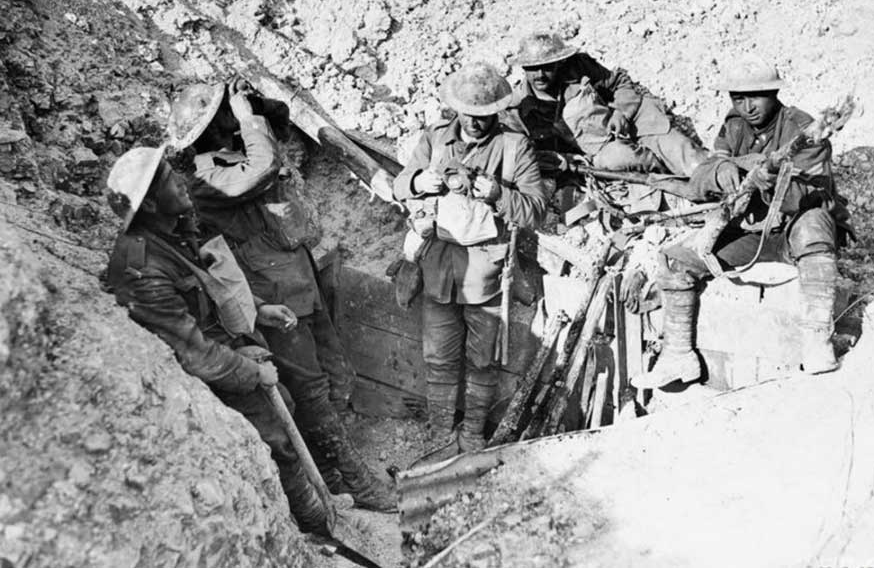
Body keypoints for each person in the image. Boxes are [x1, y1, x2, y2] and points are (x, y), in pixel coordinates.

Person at [166, 80, 394, 511]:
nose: (234, 118)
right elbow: (265, 166)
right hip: (272, 293)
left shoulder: (239, 148)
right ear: (211, 128)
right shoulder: (205, 176)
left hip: (299, 278)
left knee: (331, 373)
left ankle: (329, 473)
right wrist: (248, 119)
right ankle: (360, 486)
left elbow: (282, 126)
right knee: (309, 388)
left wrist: (255, 105)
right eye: (224, 114)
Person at [105, 146, 332, 533]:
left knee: (289, 403)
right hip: (196, 378)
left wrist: (258, 309)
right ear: (149, 205)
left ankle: (316, 500)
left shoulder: (173, 231)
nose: (181, 181)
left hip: (221, 347)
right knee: (274, 439)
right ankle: (314, 524)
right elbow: (195, 356)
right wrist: (253, 372)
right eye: (168, 180)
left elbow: (208, 286)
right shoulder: (143, 270)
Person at [632, 55, 851, 389]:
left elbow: (809, 192)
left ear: (774, 94)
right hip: (750, 229)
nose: (747, 106)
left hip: (793, 228)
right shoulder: (734, 126)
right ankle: (678, 355)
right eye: (738, 97)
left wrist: (773, 183)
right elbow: (702, 176)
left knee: (815, 224)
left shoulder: (802, 128)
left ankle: (817, 340)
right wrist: (724, 171)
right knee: (678, 261)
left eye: (756, 96)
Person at [393, 62, 549, 458]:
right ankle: (442, 433)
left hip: (486, 270)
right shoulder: (435, 138)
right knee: (439, 357)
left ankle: (474, 433)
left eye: (484, 116)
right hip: (439, 267)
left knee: (483, 360)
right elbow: (399, 184)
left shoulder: (515, 147)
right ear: (455, 109)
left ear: (497, 111)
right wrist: (417, 182)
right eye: (469, 115)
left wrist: (498, 193)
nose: (476, 123)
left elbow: (535, 210)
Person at [503, 31, 707, 179]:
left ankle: (720, 183)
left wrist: (621, 112)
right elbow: (530, 152)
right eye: (533, 68)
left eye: (547, 67)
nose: (540, 75)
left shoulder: (578, 67)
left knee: (684, 152)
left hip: (633, 122)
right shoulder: (520, 107)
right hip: (601, 151)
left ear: (558, 63)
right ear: (523, 68)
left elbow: (620, 82)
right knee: (624, 158)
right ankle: (675, 184)